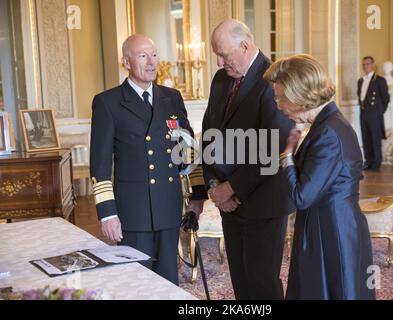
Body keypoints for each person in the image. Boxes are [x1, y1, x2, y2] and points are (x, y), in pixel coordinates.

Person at [90, 35, 207, 285]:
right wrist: (107, 214)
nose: (152, 61)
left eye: (154, 54)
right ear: (126, 62)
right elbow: (99, 165)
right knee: (137, 282)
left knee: (167, 281)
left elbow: (190, 151)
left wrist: (197, 195)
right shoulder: (108, 102)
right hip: (134, 212)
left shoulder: (172, 97)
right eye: (143, 55)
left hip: (168, 205)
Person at [264, 54, 375, 300]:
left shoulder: (328, 132)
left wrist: (288, 156)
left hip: (332, 231)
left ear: (300, 95)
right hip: (328, 225)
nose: (278, 104)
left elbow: (301, 197)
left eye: (281, 97)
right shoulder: (326, 124)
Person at [202, 19, 295, 300]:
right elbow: (209, 133)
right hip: (228, 203)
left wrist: (230, 188)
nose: (219, 62)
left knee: (262, 282)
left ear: (244, 46)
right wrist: (215, 185)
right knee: (241, 280)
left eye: (223, 54)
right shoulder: (221, 79)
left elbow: (272, 148)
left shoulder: (274, 79)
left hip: (263, 201)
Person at [357, 56, 390, 171]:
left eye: (367, 64)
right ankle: (368, 161)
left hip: (374, 114)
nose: (365, 66)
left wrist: (378, 112)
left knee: (375, 139)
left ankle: (376, 163)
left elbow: (386, 98)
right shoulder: (360, 81)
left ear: (373, 65)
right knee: (366, 138)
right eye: (363, 64)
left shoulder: (380, 80)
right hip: (363, 113)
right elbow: (360, 97)